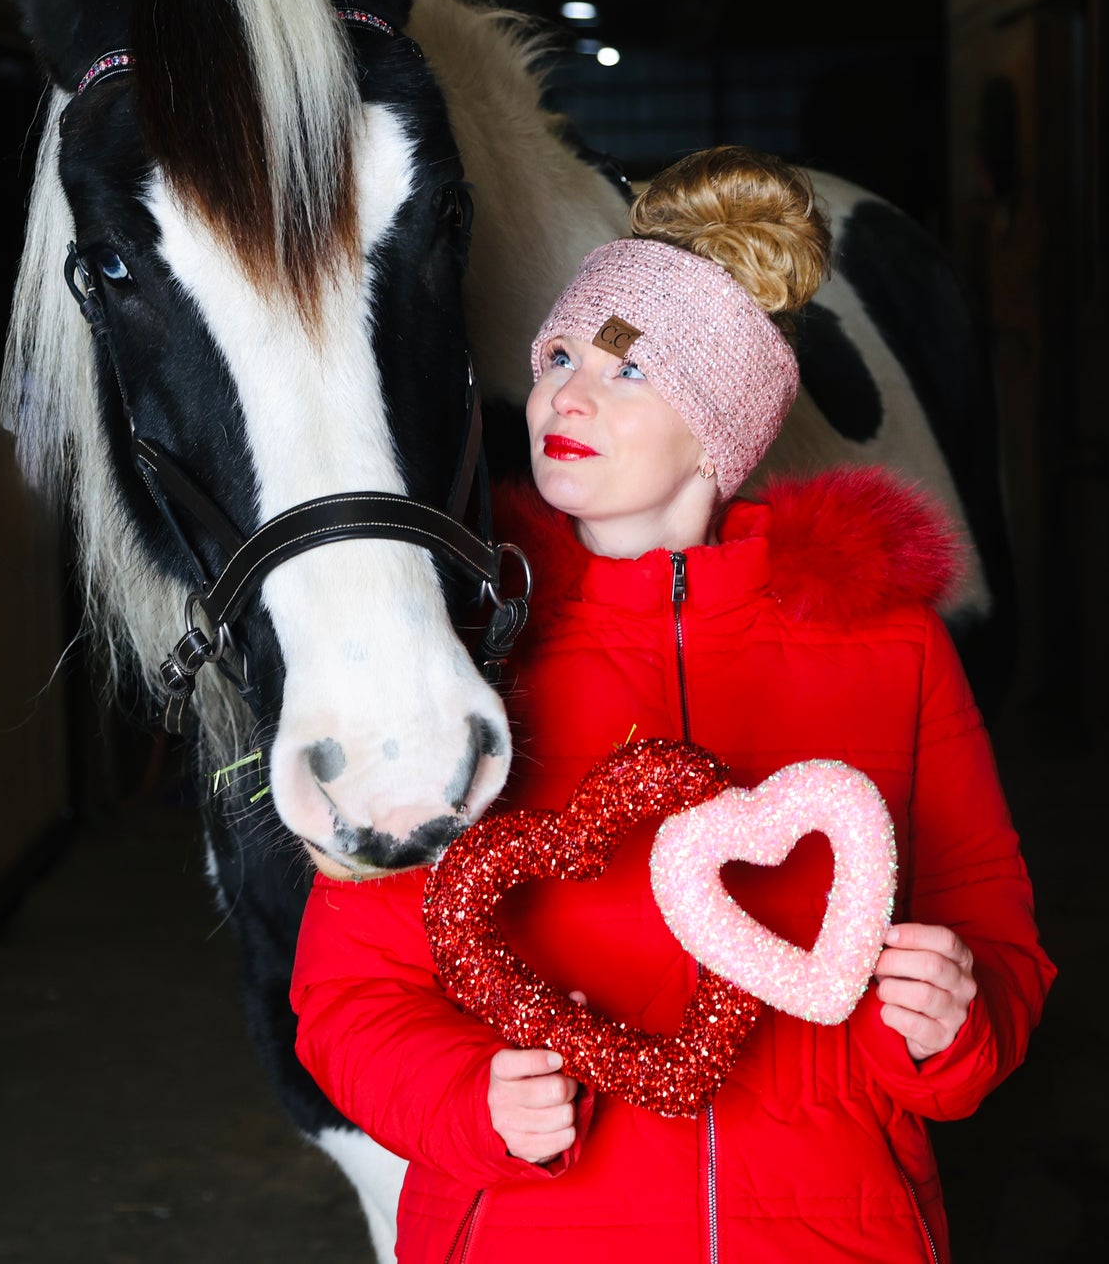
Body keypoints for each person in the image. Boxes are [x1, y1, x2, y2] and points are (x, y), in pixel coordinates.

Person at [290, 145, 1055, 1263]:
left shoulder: (890, 647)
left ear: (719, 426)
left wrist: (952, 1025)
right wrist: (470, 1100)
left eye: (626, 369)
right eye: (554, 355)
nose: (563, 392)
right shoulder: (460, 658)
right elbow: (347, 991)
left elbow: (995, 933)